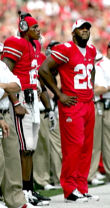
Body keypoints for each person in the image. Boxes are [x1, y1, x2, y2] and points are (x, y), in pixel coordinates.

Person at [39, 19, 100, 202]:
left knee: (86, 147)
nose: (85, 31)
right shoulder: (65, 48)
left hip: (88, 103)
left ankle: (82, 186)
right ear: (73, 32)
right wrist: (59, 94)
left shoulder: (91, 50)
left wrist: (90, 87)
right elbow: (43, 69)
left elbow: (92, 70)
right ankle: (69, 189)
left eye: (87, 28)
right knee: (73, 148)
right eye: (81, 28)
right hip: (72, 104)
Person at [1, 11, 50, 206]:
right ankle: (22, 189)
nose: (38, 30)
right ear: (24, 29)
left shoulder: (35, 45)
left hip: (32, 97)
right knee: (23, 147)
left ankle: (29, 189)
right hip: (20, 98)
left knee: (31, 148)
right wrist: (16, 102)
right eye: (34, 27)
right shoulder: (16, 42)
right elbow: (6, 76)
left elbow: (33, 73)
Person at [0, 60, 35, 208]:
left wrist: (3, 87)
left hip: (6, 113)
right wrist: (6, 88)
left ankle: (16, 201)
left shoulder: (1, 65)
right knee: (0, 161)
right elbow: (10, 88)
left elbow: (17, 85)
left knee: (12, 158)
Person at [33, 41, 62, 190]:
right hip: (38, 108)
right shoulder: (37, 62)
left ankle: (58, 177)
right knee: (42, 147)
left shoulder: (50, 64)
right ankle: (42, 179)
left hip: (50, 109)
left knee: (57, 145)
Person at [88, 46, 110, 184]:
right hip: (101, 104)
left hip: (105, 104)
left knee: (106, 143)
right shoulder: (102, 63)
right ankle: (91, 173)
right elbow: (100, 88)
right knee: (96, 143)